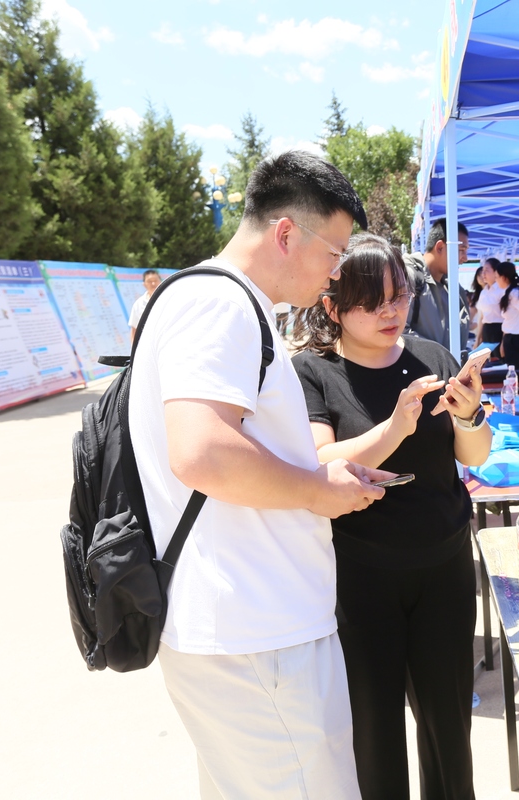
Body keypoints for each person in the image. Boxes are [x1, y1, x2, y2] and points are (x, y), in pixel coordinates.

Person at [129, 149, 389, 798]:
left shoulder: (203, 299)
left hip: (244, 628)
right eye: (333, 253)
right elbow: (202, 451)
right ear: (284, 234)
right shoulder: (222, 305)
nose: (336, 274)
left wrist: (314, 470)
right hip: (258, 631)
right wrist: (316, 490)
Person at [293, 233, 491, 800]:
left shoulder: (432, 357)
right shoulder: (315, 372)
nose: (390, 311)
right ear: (332, 308)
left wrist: (472, 415)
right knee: (374, 730)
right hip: (362, 575)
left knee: (448, 724)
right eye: (371, 300)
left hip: (445, 566)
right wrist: (395, 428)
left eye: (398, 295)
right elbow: (319, 461)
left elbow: (472, 456)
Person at [404, 217, 471, 358]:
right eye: (461, 250)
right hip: (421, 377)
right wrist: (440, 358)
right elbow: (398, 332)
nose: (465, 258)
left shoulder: (453, 287)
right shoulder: (408, 277)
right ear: (440, 247)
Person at [475, 257, 503, 346]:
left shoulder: (502, 290)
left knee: (500, 359)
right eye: (483, 270)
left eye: (487, 270)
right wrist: (478, 339)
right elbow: (482, 317)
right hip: (487, 330)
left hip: (500, 330)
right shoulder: (484, 292)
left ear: (496, 272)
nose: (483, 273)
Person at [127, 269, 161, 339]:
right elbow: (134, 330)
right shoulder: (138, 304)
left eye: (155, 280)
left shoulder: (169, 299)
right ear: (144, 284)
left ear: (160, 281)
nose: (153, 283)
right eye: (149, 281)